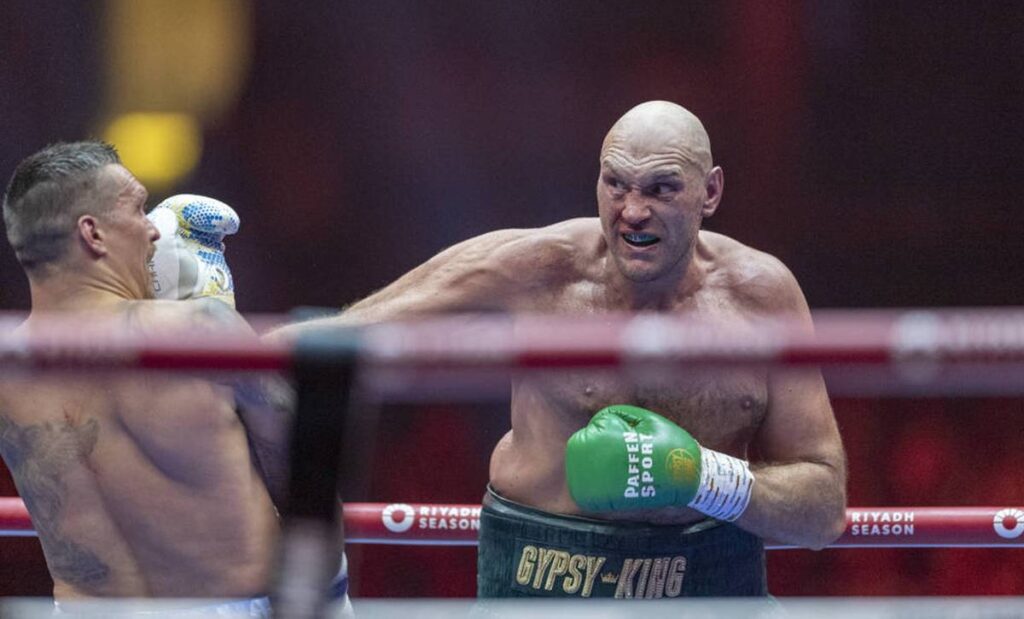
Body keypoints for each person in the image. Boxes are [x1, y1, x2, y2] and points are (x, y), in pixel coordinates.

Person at [275, 100, 848, 598]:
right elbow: (351, 330)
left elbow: (822, 511)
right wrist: (225, 337)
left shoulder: (761, 297)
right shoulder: (539, 269)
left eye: (661, 188)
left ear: (711, 192)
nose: (633, 211)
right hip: (542, 580)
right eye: (615, 183)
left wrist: (703, 478)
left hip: (712, 588)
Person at [0, 142, 291, 614]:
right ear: (92, 233)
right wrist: (332, 594)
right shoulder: (201, 328)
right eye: (138, 208)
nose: (154, 229)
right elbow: (304, 467)